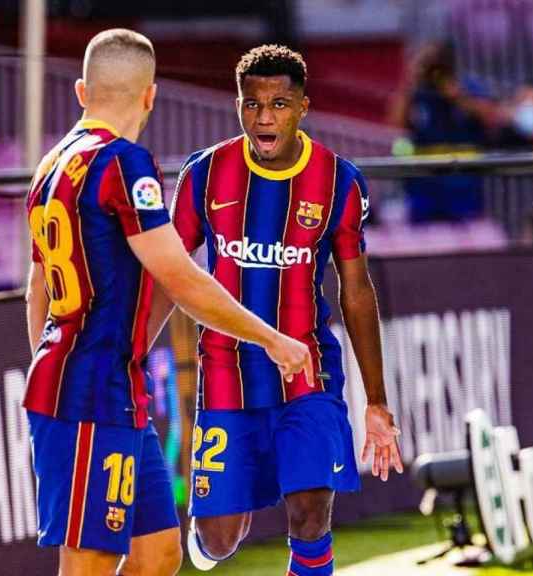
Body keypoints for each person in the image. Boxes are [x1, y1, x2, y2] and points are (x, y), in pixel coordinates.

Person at [23, 29, 312, 576]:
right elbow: (179, 278)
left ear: (83, 91)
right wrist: (271, 338)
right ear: (151, 96)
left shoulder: (51, 165)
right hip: (91, 394)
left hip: (105, 389)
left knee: (157, 554)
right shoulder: (124, 165)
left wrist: (49, 368)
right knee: (90, 561)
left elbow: (37, 288)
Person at [155, 45, 403, 574]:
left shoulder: (338, 180)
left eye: (279, 104)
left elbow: (355, 290)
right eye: (252, 104)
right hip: (226, 375)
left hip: (308, 374)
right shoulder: (204, 175)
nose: (264, 117)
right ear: (238, 106)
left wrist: (376, 401)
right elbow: (169, 272)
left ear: (304, 107)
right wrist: (128, 351)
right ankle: (218, 532)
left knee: (310, 513)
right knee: (219, 540)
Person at [389, 41, 501, 223]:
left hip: (461, 178)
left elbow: (490, 116)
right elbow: (396, 121)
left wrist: (458, 97)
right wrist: (410, 82)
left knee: (466, 232)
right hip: (424, 179)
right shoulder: (418, 91)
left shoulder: (468, 85)